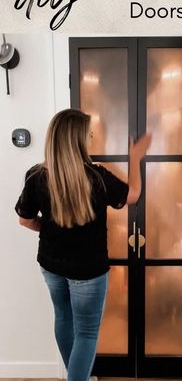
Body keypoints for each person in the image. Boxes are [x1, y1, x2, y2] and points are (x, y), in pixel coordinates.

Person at [14, 108, 151, 381]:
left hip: (51, 265)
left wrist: (53, 230)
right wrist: (135, 158)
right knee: (87, 331)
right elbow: (133, 194)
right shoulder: (97, 176)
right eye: (87, 133)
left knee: (64, 318)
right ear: (76, 139)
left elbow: (26, 221)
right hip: (88, 270)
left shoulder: (36, 175)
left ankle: (78, 376)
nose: (90, 137)